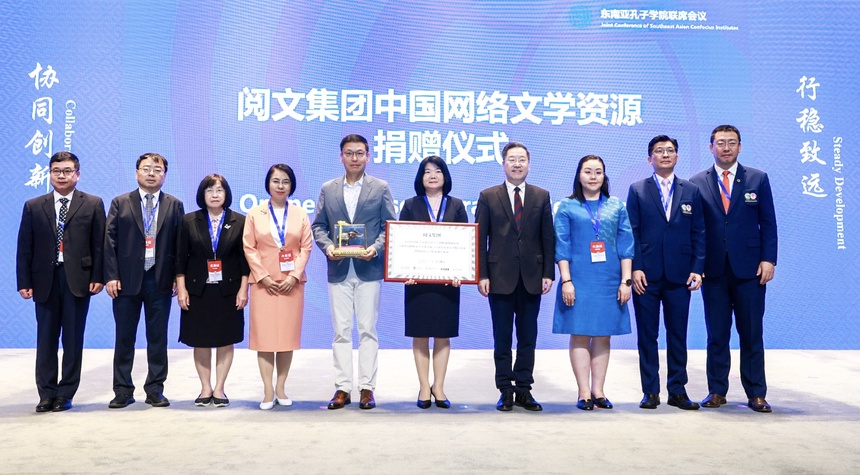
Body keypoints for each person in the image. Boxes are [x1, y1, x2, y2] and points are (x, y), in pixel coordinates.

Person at [690, 125, 778, 413]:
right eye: (720, 143)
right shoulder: (696, 182)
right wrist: (697, 266)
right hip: (713, 270)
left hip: (750, 270)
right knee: (717, 334)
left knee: (751, 333)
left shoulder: (757, 178)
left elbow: (768, 222)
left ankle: (757, 393)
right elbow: (695, 230)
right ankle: (717, 390)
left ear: (740, 146)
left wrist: (769, 259)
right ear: (710, 147)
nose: (726, 148)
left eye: (731, 143)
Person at [16, 151, 105, 413]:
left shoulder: (92, 203)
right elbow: (25, 247)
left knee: (73, 339)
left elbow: (99, 245)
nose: (61, 176)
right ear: (50, 174)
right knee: (46, 339)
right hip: (44, 279)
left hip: (78, 279)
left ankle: (65, 394)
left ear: (77, 174)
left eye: (67, 171)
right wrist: (24, 281)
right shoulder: (34, 205)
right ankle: (46, 394)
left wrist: (98, 276)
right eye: (56, 171)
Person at [312, 134, 396, 410]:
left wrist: (375, 248)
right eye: (349, 153)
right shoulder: (329, 189)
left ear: (368, 156)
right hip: (339, 268)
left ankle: (367, 388)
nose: (355, 158)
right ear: (341, 157)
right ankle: (342, 387)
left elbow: (389, 226)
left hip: (368, 267)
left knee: (368, 329)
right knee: (341, 331)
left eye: (360, 153)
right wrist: (328, 247)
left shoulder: (380, 187)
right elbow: (318, 226)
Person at [626, 136, 706, 411]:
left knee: (678, 335)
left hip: (680, 275)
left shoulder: (691, 190)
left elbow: (699, 232)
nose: (665, 155)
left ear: (677, 157)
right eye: (659, 151)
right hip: (646, 276)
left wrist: (697, 268)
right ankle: (650, 391)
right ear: (650, 158)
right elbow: (632, 232)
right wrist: (636, 267)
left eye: (670, 151)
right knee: (647, 336)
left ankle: (678, 391)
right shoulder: (638, 190)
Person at [476, 142, 555, 412]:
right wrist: (482, 275)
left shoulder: (541, 196)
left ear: (529, 164)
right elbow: (480, 239)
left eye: (522, 159)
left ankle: (524, 388)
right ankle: (505, 389)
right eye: (512, 159)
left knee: (528, 336)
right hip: (499, 277)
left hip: (532, 277)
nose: (517, 164)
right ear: (503, 164)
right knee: (502, 337)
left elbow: (548, 237)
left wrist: (548, 272)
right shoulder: (488, 196)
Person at [553, 155, 634, 411]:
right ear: (579, 175)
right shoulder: (567, 206)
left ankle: (599, 391)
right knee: (580, 333)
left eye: (598, 172)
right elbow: (562, 246)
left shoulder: (616, 206)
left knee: (603, 334)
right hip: (578, 278)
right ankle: (583, 392)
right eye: (588, 171)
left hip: (609, 279)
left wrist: (626, 281)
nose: (593, 176)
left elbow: (626, 245)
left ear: (604, 176)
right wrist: (566, 280)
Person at [104, 152, 185, 409]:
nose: (151, 173)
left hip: (160, 280)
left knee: (158, 338)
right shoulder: (120, 202)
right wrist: (111, 276)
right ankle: (122, 390)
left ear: (165, 175)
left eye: (157, 170)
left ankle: (155, 389)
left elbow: (179, 245)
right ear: (136, 172)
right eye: (146, 168)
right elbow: (109, 241)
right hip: (126, 281)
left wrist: (177, 277)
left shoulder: (174, 204)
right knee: (124, 337)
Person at [399, 156, 469, 409]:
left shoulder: (456, 205)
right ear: (420, 177)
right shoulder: (410, 205)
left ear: (445, 176)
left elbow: (465, 242)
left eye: (438, 171)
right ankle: (423, 386)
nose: (432, 175)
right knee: (420, 334)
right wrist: (403, 271)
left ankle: (438, 386)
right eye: (427, 171)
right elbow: (402, 242)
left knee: (442, 334)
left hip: (447, 281)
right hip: (416, 281)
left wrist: (462, 271)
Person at [175, 174, 250, 408]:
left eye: (219, 190)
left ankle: (219, 388)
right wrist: (181, 289)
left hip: (229, 290)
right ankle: (205, 387)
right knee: (201, 340)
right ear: (202, 194)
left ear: (226, 194)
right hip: (198, 290)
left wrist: (243, 289)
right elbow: (179, 258)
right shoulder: (189, 221)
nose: (215, 195)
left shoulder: (240, 221)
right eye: (210, 190)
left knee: (226, 340)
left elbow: (244, 260)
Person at [243, 164, 313, 410]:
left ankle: (281, 388)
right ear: (268, 184)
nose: (280, 186)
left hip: (291, 285)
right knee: (265, 339)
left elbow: (306, 247)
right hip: (264, 285)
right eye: (276, 181)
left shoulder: (300, 214)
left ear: (292, 185)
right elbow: (249, 247)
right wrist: (262, 276)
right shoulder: (255, 214)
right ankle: (267, 390)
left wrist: (294, 276)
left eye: (285, 181)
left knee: (285, 338)